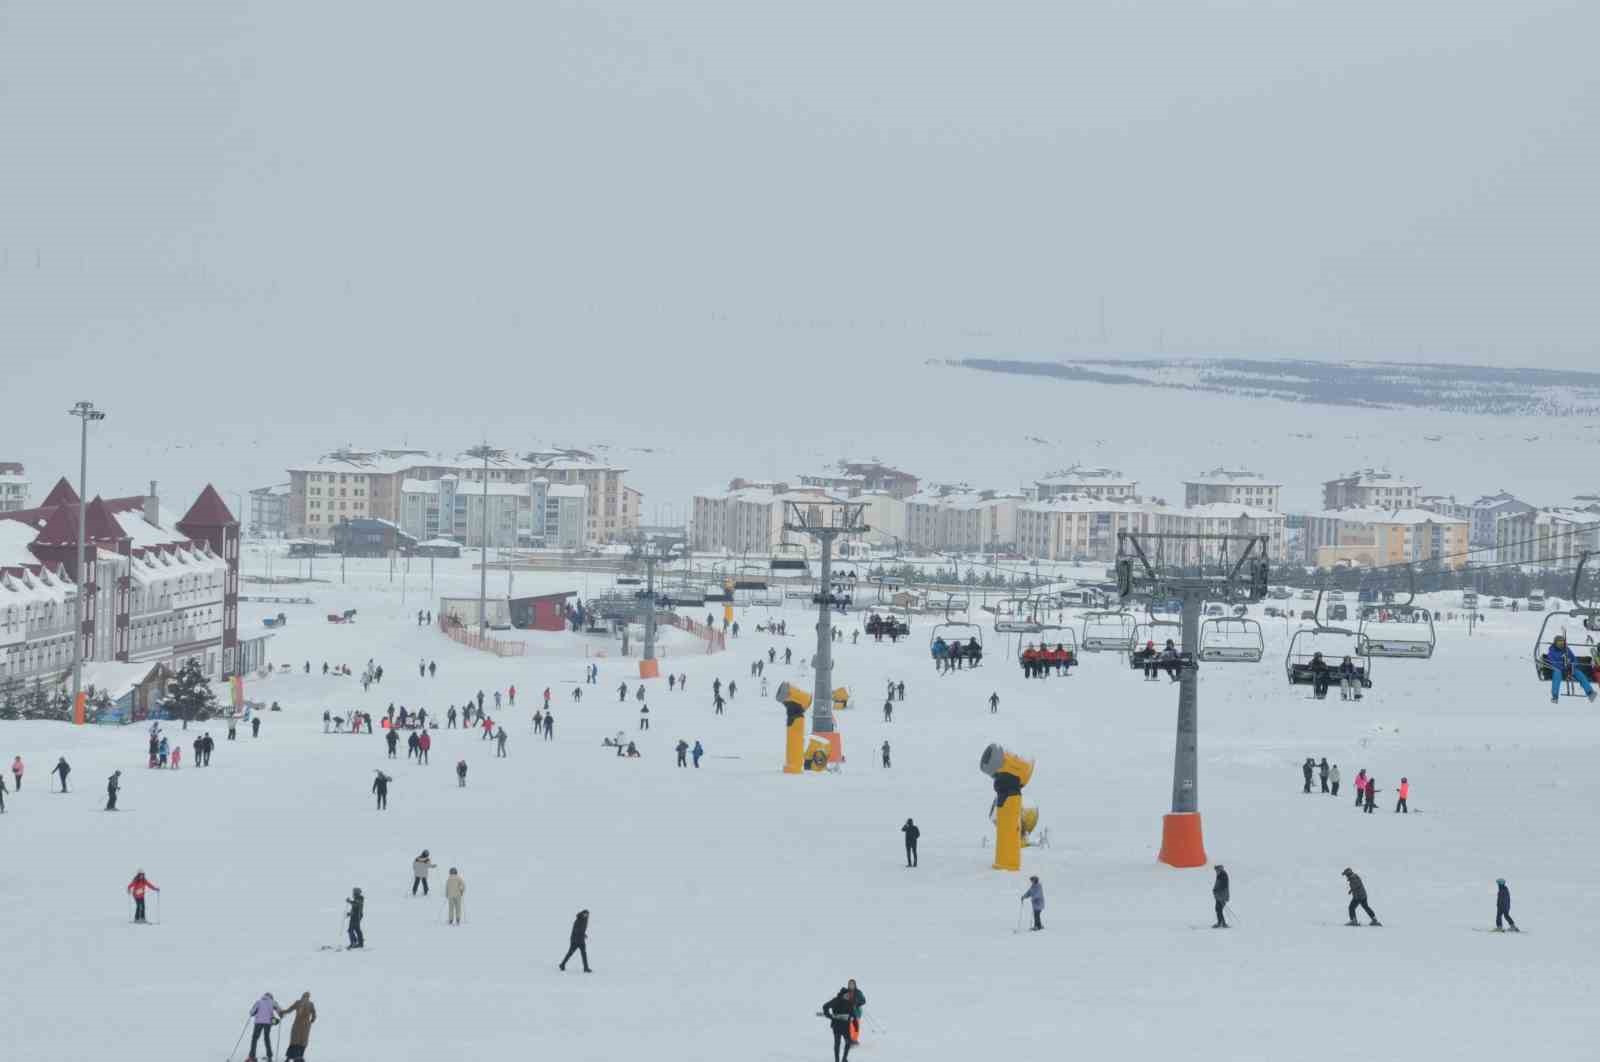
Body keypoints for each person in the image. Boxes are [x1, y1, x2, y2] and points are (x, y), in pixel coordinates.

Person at [1545, 634, 1597, 703]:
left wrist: (1572, 665)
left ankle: (1590, 692)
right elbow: (1553, 662)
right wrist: (1563, 667)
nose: (1561, 644)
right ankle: (1555, 696)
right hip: (1559, 669)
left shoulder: (1567, 650)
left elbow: (1574, 658)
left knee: (1579, 674)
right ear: (1555, 643)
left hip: (1569, 668)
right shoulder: (1552, 651)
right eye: (1559, 642)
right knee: (1557, 674)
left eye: (1562, 642)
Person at [821, 985, 859, 1062]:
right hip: (836, 1026)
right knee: (837, 1043)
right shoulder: (836, 1000)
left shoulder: (849, 1002)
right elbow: (825, 1006)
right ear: (842, 994)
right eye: (846, 995)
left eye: (849, 995)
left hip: (845, 1026)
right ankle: (837, 1060)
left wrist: (855, 1024)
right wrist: (829, 1015)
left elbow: (852, 1014)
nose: (848, 996)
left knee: (848, 1042)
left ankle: (844, 1059)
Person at [276, 991, 317, 1061]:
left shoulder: (298, 1002)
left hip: (298, 1025)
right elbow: (314, 1014)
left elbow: (290, 1009)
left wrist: (282, 1012)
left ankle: (290, 1057)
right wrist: (312, 1020)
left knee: (294, 1041)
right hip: (305, 1026)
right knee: (302, 1042)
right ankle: (298, 1057)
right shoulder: (310, 1004)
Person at [247, 992, 278, 1062]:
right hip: (268, 1023)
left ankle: (252, 1056)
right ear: (271, 997)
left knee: (254, 1039)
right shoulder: (273, 1002)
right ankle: (269, 1056)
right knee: (267, 1038)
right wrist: (280, 1016)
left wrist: (254, 1013)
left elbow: (251, 1012)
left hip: (258, 1023)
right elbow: (280, 1011)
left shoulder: (258, 1002)